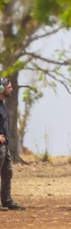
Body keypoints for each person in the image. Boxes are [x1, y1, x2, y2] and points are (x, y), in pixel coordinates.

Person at [0, 77, 25, 210]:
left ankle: (7, 201)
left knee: (7, 172)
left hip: (4, 147)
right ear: (2, 89)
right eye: (9, 87)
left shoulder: (2, 105)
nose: (12, 89)